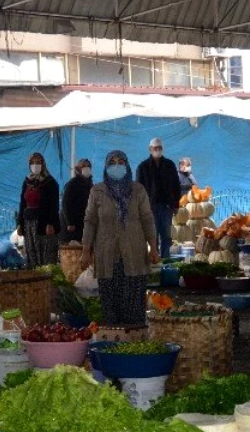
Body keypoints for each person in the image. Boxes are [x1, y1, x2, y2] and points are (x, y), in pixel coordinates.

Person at [80, 150, 159, 326]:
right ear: (106, 166)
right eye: (112, 162)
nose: (117, 166)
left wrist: (153, 248)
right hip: (107, 254)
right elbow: (90, 221)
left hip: (134, 253)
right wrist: (86, 251)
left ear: (127, 165)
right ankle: (114, 341)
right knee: (110, 302)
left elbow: (147, 219)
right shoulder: (97, 191)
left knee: (133, 301)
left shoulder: (138, 190)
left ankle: (134, 342)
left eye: (121, 162)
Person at [135, 137, 180, 259]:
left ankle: (165, 259)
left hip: (166, 206)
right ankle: (154, 260)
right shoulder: (143, 167)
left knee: (166, 235)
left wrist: (176, 205)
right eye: (155, 148)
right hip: (150, 208)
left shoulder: (169, 165)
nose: (158, 150)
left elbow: (176, 185)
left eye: (159, 148)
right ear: (150, 149)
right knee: (152, 235)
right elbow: (138, 190)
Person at [17, 152, 60, 268]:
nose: (35, 165)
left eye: (38, 162)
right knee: (31, 252)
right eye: (32, 163)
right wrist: (20, 224)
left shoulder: (50, 183)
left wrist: (50, 223)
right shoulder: (27, 182)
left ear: (43, 164)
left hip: (44, 223)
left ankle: (47, 278)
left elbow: (54, 205)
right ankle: (35, 279)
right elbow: (22, 204)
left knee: (45, 253)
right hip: (28, 224)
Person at [61, 158, 92, 243]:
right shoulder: (72, 184)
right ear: (77, 169)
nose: (87, 168)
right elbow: (65, 203)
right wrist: (69, 222)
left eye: (89, 166)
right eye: (84, 166)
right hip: (73, 226)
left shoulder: (90, 185)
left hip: (84, 223)